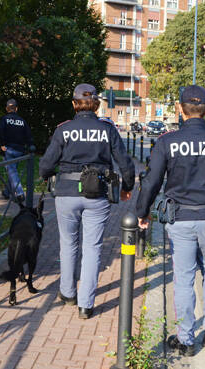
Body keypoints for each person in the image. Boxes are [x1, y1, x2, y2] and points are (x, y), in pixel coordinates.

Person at [136, 85, 205, 356]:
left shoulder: (167, 142)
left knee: (183, 277)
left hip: (180, 217)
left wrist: (142, 212)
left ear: (180, 109)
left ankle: (185, 340)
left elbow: (151, 182)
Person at [39, 83, 135, 319]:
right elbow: (125, 162)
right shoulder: (107, 129)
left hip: (66, 193)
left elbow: (46, 165)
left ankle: (68, 292)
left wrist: (46, 176)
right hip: (97, 193)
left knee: (68, 244)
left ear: (74, 104)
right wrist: (127, 187)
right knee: (92, 248)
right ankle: (86, 304)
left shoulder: (64, 129)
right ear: (97, 104)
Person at [0, 99, 33, 203]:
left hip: (8, 149)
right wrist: (29, 147)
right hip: (19, 150)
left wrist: (2, 145)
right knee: (12, 171)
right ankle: (7, 192)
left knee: (12, 171)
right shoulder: (22, 121)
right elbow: (28, 135)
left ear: (6, 108)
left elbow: (0, 132)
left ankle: (20, 193)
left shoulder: (4, 119)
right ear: (16, 109)